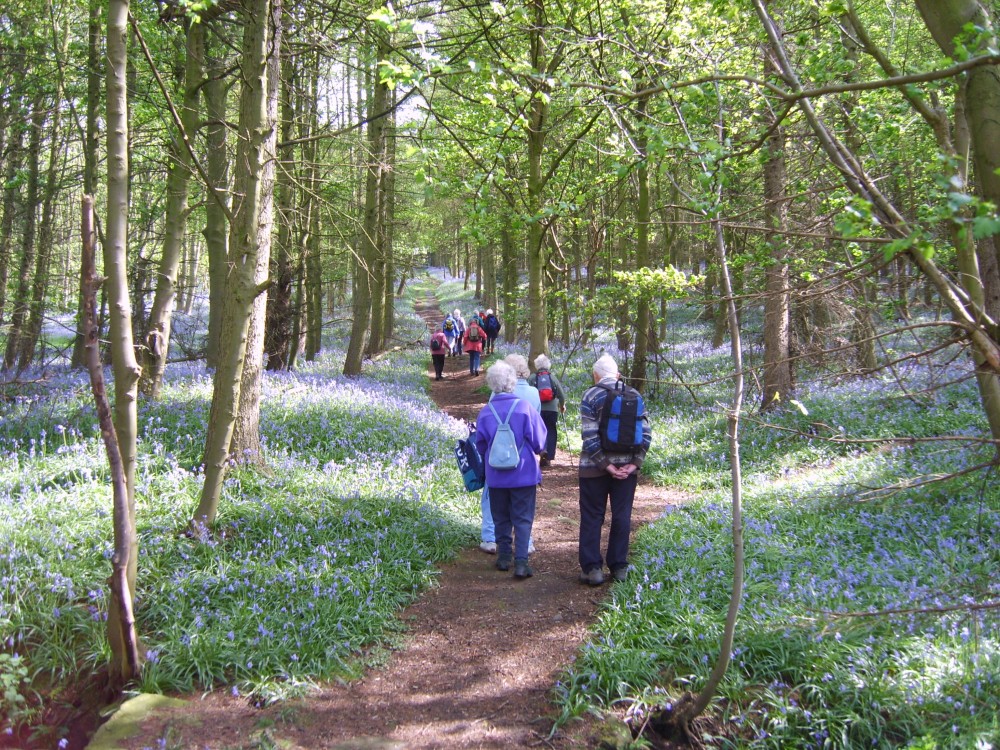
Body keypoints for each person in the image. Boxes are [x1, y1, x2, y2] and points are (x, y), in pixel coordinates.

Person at [577, 354, 651, 586]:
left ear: (595, 375)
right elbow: (646, 434)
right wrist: (633, 464)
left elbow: (589, 437)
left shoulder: (590, 395)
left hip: (593, 470)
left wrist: (605, 465)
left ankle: (592, 569)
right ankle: (619, 566)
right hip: (626, 470)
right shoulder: (635, 395)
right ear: (618, 375)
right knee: (622, 516)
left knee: (592, 516)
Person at [475, 361, 547, 579]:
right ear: (512, 382)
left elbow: (480, 445)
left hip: (496, 475)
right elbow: (539, 442)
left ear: (491, 384)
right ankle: (522, 562)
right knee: (523, 518)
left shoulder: (486, 412)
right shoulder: (525, 408)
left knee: (500, 516)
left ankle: (504, 557)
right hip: (524, 473)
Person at [528, 354, 566, 467]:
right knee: (551, 430)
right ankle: (549, 457)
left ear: (536, 365)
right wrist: (562, 406)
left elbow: (528, 393)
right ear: (548, 365)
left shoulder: (532, 378)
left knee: (539, 430)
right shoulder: (552, 377)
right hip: (552, 410)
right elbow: (561, 395)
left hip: (538, 409)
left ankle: (542, 450)